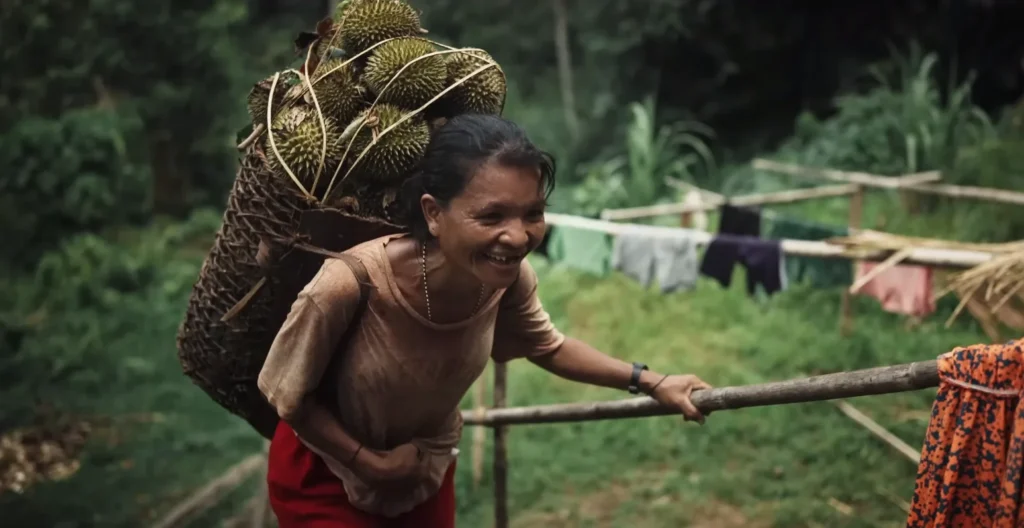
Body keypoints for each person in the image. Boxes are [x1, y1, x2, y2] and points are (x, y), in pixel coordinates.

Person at [257, 114, 713, 527]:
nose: (517, 237)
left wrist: (653, 382)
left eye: (533, 214)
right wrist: (367, 462)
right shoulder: (348, 284)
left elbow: (548, 346)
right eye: (491, 216)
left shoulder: (506, 279)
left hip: (424, 468)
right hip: (326, 474)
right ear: (434, 214)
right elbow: (289, 398)